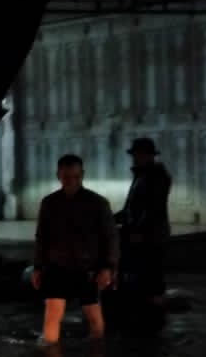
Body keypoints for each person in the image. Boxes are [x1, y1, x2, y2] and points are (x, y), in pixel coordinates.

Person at [31, 154, 118, 343]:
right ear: (59, 176)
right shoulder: (50, 203)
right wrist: (38, 267)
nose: (71, 181)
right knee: (53, 314)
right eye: (66, 177)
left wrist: (107, 268)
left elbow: (110, 237)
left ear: (82, 175)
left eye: (76, 177)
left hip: (87, 267)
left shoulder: (97, 203)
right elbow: (41, 237)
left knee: (93, 316)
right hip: (57, 266)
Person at [116, 137, 172, 326]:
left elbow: (153, 208)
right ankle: (145, 316)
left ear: (148, 156)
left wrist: (139, 230)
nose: (135, 159)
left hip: (150, 237)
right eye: (134, 155)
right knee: (141, 276)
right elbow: (132, 207)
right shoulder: (142, 176)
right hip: (141, 235)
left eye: (138, 155)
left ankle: (155, 319)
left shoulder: (155, 176)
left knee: (152, 277)